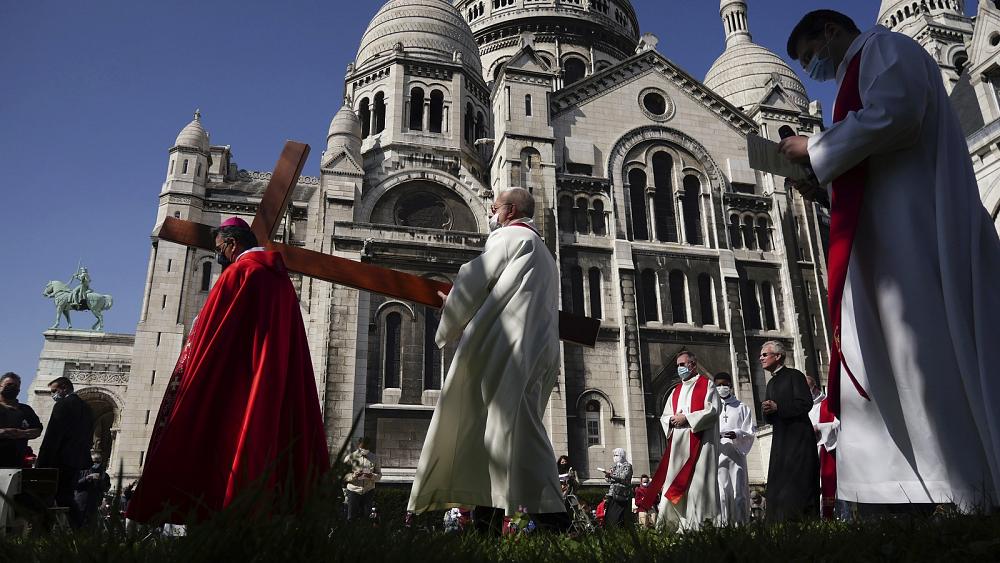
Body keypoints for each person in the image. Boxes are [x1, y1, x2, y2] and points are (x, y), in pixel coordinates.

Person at [780, 9, 1000, 512]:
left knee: (926, 357)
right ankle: (916, 492)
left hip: (916, 238)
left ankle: (959, 490)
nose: (816, 68)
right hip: (889, 245)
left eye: (813, 56)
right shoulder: (861, 70)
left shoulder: (884, 49)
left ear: (832, 32)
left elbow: (897, 112)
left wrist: (813, 145)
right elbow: (870, 162)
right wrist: (819, 183)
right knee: (892, 365)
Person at [125, 217, 329, 523]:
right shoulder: (278, 277)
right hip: (272, 377)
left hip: (238, 377)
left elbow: (209, 334)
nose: (218, 256)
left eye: (220, 249)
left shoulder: (241, 272)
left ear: (232, 244)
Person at [407, 188, 569, 534]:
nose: (491, 214)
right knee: (505, 431)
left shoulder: (509, 238)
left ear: (509, 211)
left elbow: (473, 279)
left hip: (505, 346)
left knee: (498, 428)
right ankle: (490, 523)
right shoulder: (545, 254)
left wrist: (449, 313)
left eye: (494, 208)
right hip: (538, 351)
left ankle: (552, 519)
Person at [650, 352, 720, 532]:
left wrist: (687, 418)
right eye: (678, 365)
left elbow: (712, 411)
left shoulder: (707, 385)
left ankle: (699, 526)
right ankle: (673, 526)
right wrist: (672, 420)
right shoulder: (676, 391)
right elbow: (665, 416)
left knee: (698, 485)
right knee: (674, 482)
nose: (679, 368)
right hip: (678, 447)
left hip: (701, 445)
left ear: (693, 365)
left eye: (683, 364)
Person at [760, 341, 818, 522]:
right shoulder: (771, 383)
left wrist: (779, 407)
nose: (760, 358)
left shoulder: (795, 376)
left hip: (798, 439)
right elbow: (771, 416)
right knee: (779, 485)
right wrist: (767, 411)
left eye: (764, 354)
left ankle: (801, 520)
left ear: (777, 356)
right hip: (781, 440)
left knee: (798, 483)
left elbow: (805, 404)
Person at [37, 376, 94, 528]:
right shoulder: (87, 408)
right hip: (75, 462)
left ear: (64, 388)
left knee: (47, 497)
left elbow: (52, 436)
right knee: (66, 496)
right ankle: (77, 529)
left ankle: (45, 530)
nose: (53, 395)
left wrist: (41, 463)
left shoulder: (63, 405)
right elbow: (89, 437)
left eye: (54, 391)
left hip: (58, 461)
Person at [715, 372, 755, 526]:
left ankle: (741, 526)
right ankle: (723, 525)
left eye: (724, 384)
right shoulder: (712, 407)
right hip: (718, 454)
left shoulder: (742, 407)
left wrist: (737, 434)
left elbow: (750, 432)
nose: (721, 388)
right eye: (718, 385)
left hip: (736, 455)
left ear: (730, 385)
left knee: (739, 493)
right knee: (721, 493)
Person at [806, 375, 839, 519]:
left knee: (828, 484)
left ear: (814, 387)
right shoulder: (801, 407)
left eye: (807, 389)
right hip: (807, 452)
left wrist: (819, 428)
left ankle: (832, 517)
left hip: (826, 449)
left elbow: (839, 424)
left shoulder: (828, 403)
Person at [0, 373, 42, 468]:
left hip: (16, 463)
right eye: (9, 384)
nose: (12, 387)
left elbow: (37, 430)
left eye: (16, 386)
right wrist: (3, 432)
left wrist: (21, 433)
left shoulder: (26, 410)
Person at [343, 437, 381, 521]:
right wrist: (354, 475)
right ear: (358, 445)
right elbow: (343, 476)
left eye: (366, 447)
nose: (364, 449)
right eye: (362, 447)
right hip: (353, 490)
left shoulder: (375, 458)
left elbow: (379, 475)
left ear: (369, 446)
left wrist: (372, 476)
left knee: (367, 517)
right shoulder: (350, 457)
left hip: (368, 490)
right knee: (351, 517)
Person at [74, 453, 111, 527]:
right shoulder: (82, 472)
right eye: (94, 461)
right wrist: (87, 478)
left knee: (90, 527)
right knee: (77, 525)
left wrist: (100, 481)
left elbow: (106, 488)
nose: (96, 464)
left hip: (94, 505)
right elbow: (75, 485)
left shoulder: (104, 475)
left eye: (98, 462)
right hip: (80, 503)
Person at [602, 448, 633, 528]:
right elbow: (608, 479)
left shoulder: (627, 465)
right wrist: (607, 475)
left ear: (622, 456)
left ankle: (620, 530)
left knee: (619, 515)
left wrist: (611, 475)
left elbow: (623, 477)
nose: (614, 457)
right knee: (610, 514)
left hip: (622, 494)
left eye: (616, 455)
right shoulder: (614, 466)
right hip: (612, 493)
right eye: (614, 455)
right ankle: (609, 531)